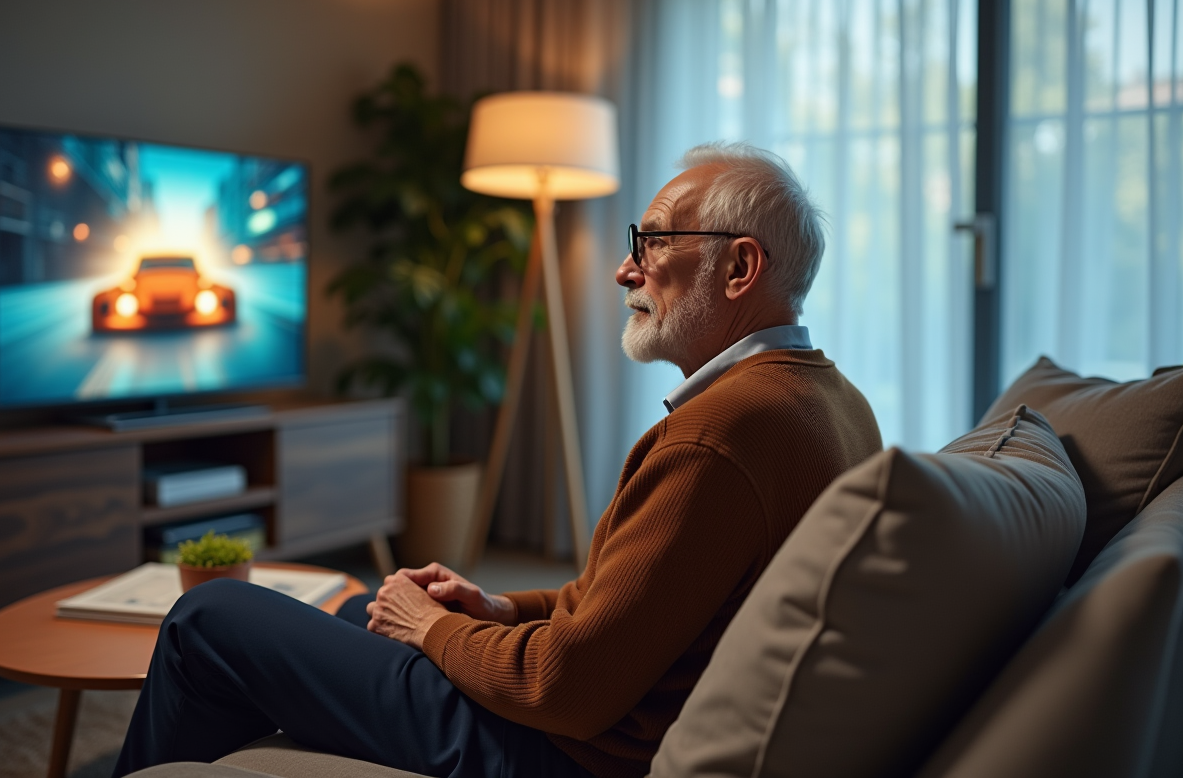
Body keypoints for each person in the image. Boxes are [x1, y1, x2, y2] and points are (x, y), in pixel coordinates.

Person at [113, 143, 882, 778]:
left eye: (650, 243)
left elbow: (566, 689)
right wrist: (501, 609)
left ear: (740, 268)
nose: (625, 270)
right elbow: (638, 606)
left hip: (562, 755)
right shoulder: (834, 403)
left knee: (208, 616)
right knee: (357, 613)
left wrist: (432, 629)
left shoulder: (719, 436)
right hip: (611, 714)